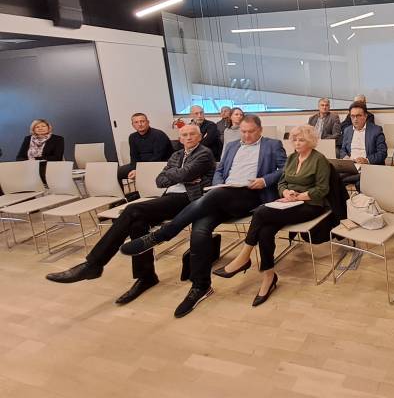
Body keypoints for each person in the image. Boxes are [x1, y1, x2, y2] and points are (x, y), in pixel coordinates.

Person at [119, 115, 286, 317]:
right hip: (222, 193)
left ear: (260, 130)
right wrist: (217, 184)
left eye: (251, 132)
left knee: (212, 198)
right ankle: (200, 286)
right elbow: (220, 169)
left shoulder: (272, 144)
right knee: (200, 228)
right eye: (243, 131)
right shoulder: (232, 145)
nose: (247, 135)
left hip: (251, 195)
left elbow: (285, 168)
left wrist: (265, 180)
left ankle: (163, 234)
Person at [45, 124, 215, 304]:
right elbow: (159, 180)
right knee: (137, 222)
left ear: (200, 137)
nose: (188, 137)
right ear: (179, 139)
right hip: (169, 197)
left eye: (192, 134)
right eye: (184, 135)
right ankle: (146, 277)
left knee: (132, 210)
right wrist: (180, 175)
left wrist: (176, 174)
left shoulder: (204, 153)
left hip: (189, 199)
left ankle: (93, 264)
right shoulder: (177, 155)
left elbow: (182, 174)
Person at [212, 125, 331, 306]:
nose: (297, 143)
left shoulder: (319, 159)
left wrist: (298, 196)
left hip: (311, 204)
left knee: (261, 211)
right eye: (295, 140)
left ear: (311, 142)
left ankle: (244, 256)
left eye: (301, 140)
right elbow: (282, 182)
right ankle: (269, 276)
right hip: (289, 202)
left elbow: (322, 189)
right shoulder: (292, 158)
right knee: (265, 231)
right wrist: (286, 193)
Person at [339, 101, 387, 187]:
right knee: (331, 176)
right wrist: (345, 157)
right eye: (352, 116)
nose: (355, 119)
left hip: (367, 167)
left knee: (359, 183)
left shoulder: (376, 130)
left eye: (358, 116)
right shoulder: (347, 130)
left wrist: (367, 160)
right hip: (352, 167)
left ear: (365, 116)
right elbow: (343, 149)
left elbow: (382, 153)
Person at [117, 113, 173, 181]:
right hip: (142, 165)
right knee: (117, 172)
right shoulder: (132, 137)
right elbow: (134, 156)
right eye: (136, 122)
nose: (140, 124)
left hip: (160, 164)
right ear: (133, 125)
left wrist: (140, 170)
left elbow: (157, 158)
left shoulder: (159, 135)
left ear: (148, 122)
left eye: (142, 121)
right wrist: (135, 169)